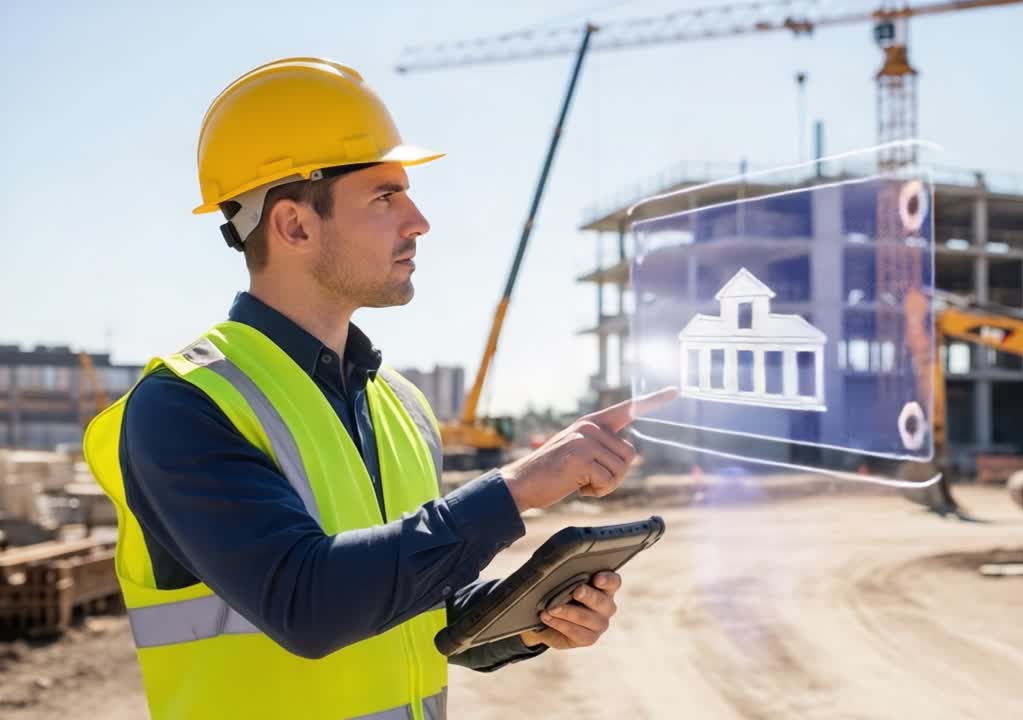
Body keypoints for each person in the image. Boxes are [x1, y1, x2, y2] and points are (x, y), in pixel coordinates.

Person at [84, 57, 674, 720]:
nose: (418, 220)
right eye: (385, 196)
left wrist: (524, 617)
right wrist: (519, 486)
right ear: (295, 226)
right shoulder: (185, 404)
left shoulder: (399, 404)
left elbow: (406, 601)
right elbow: (306, 605)